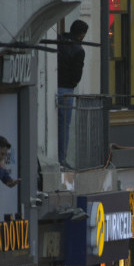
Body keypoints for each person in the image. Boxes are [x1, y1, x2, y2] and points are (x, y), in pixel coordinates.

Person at [56, 20, 89, 166]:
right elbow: (77, 76)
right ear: (82, 35)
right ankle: (62, 159)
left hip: (54, 85)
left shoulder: (59, 40)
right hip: (66, 90)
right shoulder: (79, 50)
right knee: (64, 126)